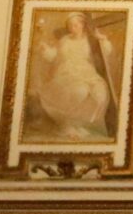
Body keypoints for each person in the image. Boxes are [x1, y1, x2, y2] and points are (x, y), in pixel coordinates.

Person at [31, 10, 115, 138]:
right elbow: (55, 56)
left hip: (87, 73)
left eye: (76, 25)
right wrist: (45, 49)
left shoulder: (91, 40)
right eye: (70, 26)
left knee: (101, 95)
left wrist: (103, 40)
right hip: (67, 73)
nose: (73, 28)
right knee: (79, 91)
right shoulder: (65, 40)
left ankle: (81, 124)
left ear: (82, 25)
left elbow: (106, 52)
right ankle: (69, 124)